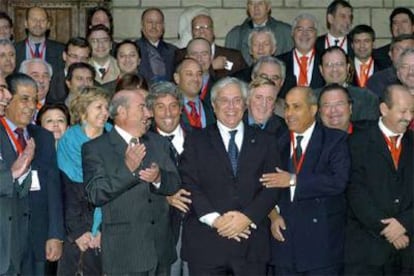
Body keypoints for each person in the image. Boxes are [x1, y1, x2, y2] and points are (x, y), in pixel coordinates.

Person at [180, 77, 281, 275]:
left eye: (236, 100)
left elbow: (273, 186)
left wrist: (247, 218)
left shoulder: (266, 141)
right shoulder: (195, 139)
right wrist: (217, 221)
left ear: (245, 105)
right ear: (214, 105)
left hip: (251, 246)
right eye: (224, 101)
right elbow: (189, 183)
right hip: (206, 246)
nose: (231, 107)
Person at [83, 87, 180, 275]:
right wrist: (127, 170)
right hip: (125, 255)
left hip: (160, 251)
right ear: (122, 112)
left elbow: (175, 182)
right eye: (143, 107)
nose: (149, 113)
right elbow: (95, 194)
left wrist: (159, 178)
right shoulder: (96, 148)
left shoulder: (158, 143)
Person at [261, 86, 350, 275]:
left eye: (296, 107)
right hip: (284, 243)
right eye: (286, 107)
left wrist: (293, 180)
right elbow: (265, 184)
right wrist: (273, 215)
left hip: (321, 246)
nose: (289, 113)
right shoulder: (276, 141)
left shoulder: (334, 140)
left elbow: (338, 181)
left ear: (313, 109)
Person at [345, 85, 414, 276]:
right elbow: (355, 191)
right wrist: (387, 229)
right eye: (402, 111)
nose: (408, 117)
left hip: (407, 253)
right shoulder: (357, 141)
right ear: (384, 109)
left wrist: (404, 224)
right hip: (367, 251)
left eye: (412, 111)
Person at [3, 73, 64, 276]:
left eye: (34, 100)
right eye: (24, 99)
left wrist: (55, 234)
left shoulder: (43, 137)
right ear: (7, 98)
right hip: (5, 237)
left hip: (38, 236)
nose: (31, 106)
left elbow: (54, 188)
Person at [57, 86, 111, 276]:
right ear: (83, 111)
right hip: (75, 231)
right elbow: (64, 192)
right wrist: (80, 232)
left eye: (107, 107)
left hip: (110, 230)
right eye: (99, 107)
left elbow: (119, 190)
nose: (105, 113)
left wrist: (103, 229)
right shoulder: (67, 143)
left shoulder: (115, 140)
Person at [147, 81, 191, 276]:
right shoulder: (141, 143)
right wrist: (165, 197)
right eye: (160, 107)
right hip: (160, 233)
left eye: (173, 106)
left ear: (181, 109)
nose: (168, 113)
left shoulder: (201, 138)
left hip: (197, 228)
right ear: (150, 111)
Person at [0, 73, 35, 276]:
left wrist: (21, 173)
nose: (6, 96)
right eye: (1, 89)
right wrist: (11, 174)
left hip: (9, 245)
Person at [316, 46, 379, 121]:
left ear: (348, 67)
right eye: (329, 65)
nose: (334, 69)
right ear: (321, 70)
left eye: (339, 64)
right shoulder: (311, 99)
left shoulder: (367, 98)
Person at [175, 14, 247, 78]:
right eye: (197, 28)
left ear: (213, 31)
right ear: (192, 32)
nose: (201, 31)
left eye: (206, 27)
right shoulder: (181, 55)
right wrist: (211, 67)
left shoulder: (233, 57)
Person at [225, 0, 292, 65]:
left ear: (268, 7)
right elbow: (229, 67)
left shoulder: (286, 33)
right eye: (252, 3)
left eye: (260, 3)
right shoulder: (234, 35)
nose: (256, 8)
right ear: (248, 8)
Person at [277, 13, 325, 98]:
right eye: (300, 30)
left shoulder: (325, 61)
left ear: (316, 34)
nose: (304, 34)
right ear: (292, 33)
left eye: (310, 30)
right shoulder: (278, 62)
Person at [15, 7, 64, 76]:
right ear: (26, 23)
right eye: (34, 20)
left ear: (48, 24)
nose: (38, 24)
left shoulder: (60, 50)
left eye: (42, 20)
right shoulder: (14, 50)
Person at [137, 7, 178, 85]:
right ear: (142, 25)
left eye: (158, 23)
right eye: (149, 22)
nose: (154, 26)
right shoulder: (133, 49)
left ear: (163, 26)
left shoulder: (174, 52)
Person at [367, 34, 414, 99]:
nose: (404, 53)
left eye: (409, 49)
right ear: (390, 54)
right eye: (399, 49)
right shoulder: (378, 80)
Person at [174, 57, 215, 129]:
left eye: (199, 74)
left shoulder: (211, 108)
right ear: (177, 78)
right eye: (189, 74)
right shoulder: (169, 108)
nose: (195, 79)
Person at [48, 37, 91, 104]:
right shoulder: (50, 82)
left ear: (88, 60)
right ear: (64, 56)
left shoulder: (93, 85)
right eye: (74, 56)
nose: (78, 61)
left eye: (83, 58)